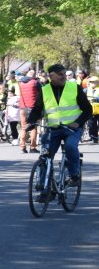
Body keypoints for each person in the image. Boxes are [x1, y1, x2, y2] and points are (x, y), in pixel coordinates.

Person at [27, 64, 91, 201]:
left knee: (70, 147)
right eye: (60, 74)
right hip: (53, 129)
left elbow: (87, 110)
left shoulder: (74, 87)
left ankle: (74, 175)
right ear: (51, 76)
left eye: (64, 74)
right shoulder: (44, 90)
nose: (64, 77)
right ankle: (46, 190)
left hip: (72, 129)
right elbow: (37, 109)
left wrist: (78, 123)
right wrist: (31, 122)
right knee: (45, 156)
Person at [20, 71, 41, 153]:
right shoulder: (35, 82)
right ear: (34, 76)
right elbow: (41, 92)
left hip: (22, 106)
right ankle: (32, 147)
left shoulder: (21, 83)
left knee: (24, 127)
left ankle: (22, 146)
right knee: (33, 127)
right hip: (32, 107)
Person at [86, 78, 99, 143]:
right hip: (91, 110)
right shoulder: (86, 90)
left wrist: (97, 99)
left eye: (94, 82)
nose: (92, 83)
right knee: (91, 124)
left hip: (98, 109)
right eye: (91, 82)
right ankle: (93, 137)